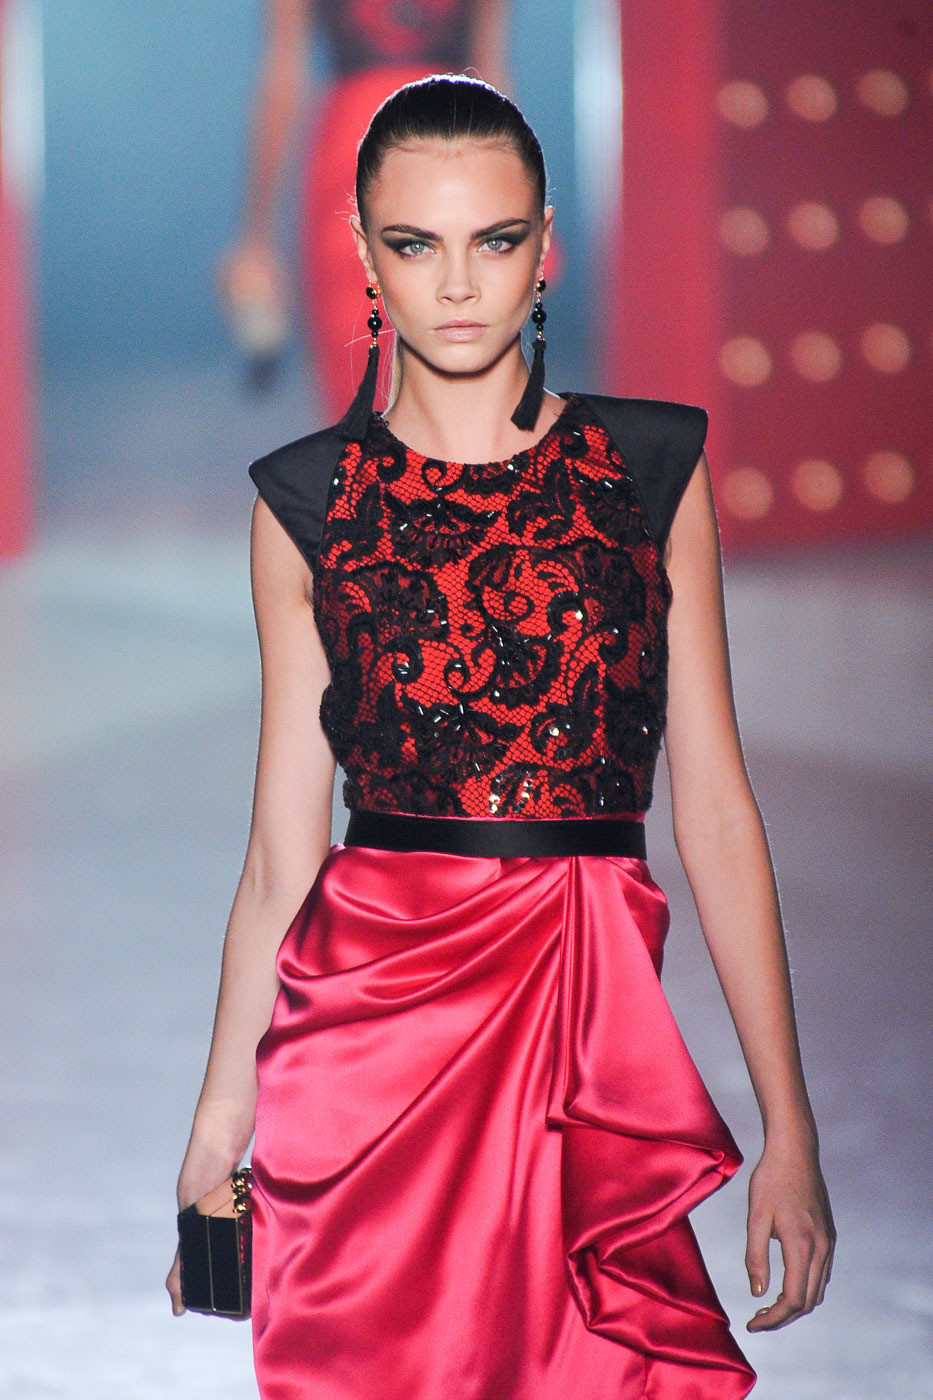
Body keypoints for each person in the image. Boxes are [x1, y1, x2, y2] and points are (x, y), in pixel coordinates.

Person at [168, 72, 835, 1399]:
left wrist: (791, 1126)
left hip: (583, 1044)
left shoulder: (648, 470)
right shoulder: (306, 503)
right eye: (416, 244)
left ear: (547, 248)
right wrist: (216, 1132)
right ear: (362, 255)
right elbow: (281, 856)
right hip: (364, 1066)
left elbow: (714, 807)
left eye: (496, 238)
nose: (459, 283)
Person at [218, 0, 515, 416]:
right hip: (448, 147)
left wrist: (257, 236)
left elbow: (283, 73)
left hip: (357, 152)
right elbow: (491, 69)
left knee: (365, 383)